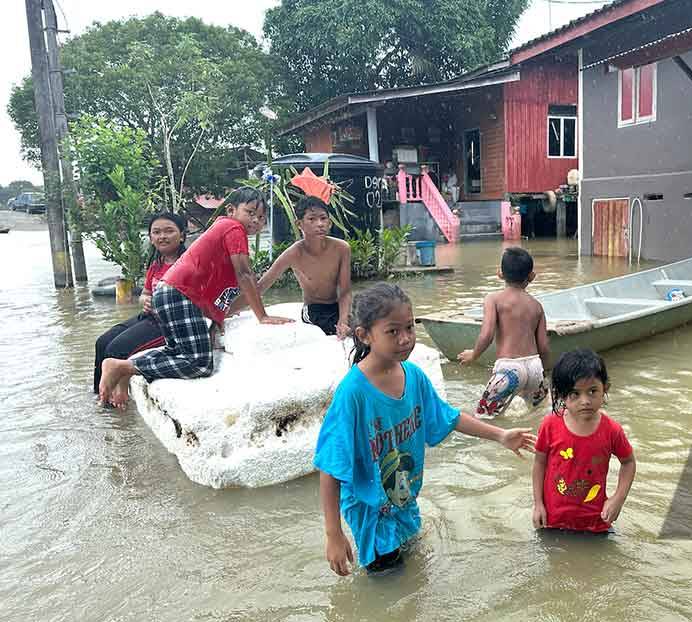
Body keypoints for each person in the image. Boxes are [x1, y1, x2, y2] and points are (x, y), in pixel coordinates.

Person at [316, 283, 537, 575]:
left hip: (404, 494)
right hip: (370, 506)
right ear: (364, 335)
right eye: (392, 331)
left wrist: (501, 435)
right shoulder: (353, 393)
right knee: (388, 581)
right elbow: (330, 466)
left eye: (409, 327)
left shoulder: (414, 376)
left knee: (415, 566)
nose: (405, 338)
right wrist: (333, 534)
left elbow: (450, 417)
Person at [97, 187, 294, 408]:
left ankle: (124, 368)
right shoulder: (233, 227)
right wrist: (263, 316)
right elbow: (245, 274)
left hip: (173, 293)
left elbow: (218, 295)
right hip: (180, 294)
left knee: (177, 352)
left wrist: (213, 325)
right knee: (199, 364)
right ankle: (122, 368)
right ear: (231, 210)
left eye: (261, 218)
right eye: (250, 213)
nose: (256, 221)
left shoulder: (223, 231)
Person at [532, 349, 636, 533]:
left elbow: (628, 463)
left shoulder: (612, 430)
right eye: (575, 394)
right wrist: (538, 504)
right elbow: (539, 463)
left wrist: (618, 499)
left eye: (592, 391)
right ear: (561, 396)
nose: (585, 401)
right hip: (551, 520)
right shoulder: (550, 425)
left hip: (595, 522)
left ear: (605, 388)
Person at [92, 212, 187, 393]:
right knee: (102, 342)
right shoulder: (156, 264)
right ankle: (100, 395)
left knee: (116, 349)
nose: (162, 237)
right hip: (148, 316)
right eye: (156, 232)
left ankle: (113, 402)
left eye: (169, 231)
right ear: (151, 238)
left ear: (182, 235)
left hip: (169, 324)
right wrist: (145, 300)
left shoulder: (190, 263)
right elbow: (144, 293)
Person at [239, 195, 352, 338]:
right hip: (314, 309)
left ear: (329, 223)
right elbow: (260, 287)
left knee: (369, 322)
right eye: (312, 219)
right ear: (299, 224)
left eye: (323, 218)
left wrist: (344, 320)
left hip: (337, 306)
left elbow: (345, 291)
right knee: (332, 327)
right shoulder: (293, 253)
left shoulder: (342, 248)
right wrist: (225, 312)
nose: (320, 224)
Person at [458, 247, 550, 418]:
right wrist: (543, 373)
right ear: (531, 276)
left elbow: (487, 334)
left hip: (509, 370)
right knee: (539, 415)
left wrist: (474, 355)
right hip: (535, 367)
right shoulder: (536, 306)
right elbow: (544, 347)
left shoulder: (493, 299)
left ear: (500, 273)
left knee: (484, 418)